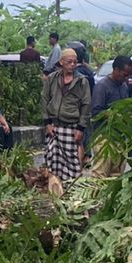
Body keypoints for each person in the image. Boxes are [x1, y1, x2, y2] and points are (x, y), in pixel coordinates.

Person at [42, 48, 90, 182]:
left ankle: (72, 187)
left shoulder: (82, 81)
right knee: (52, 158)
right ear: (61, 62)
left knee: (72, 160)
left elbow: (86, 105)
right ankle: (55, 187)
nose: (72, 65)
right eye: (69, 61)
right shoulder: (52, 78)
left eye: (75, 62)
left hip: (71, 125)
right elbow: (44, 99)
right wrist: (47, 123)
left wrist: (81, 128)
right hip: (54, 125)